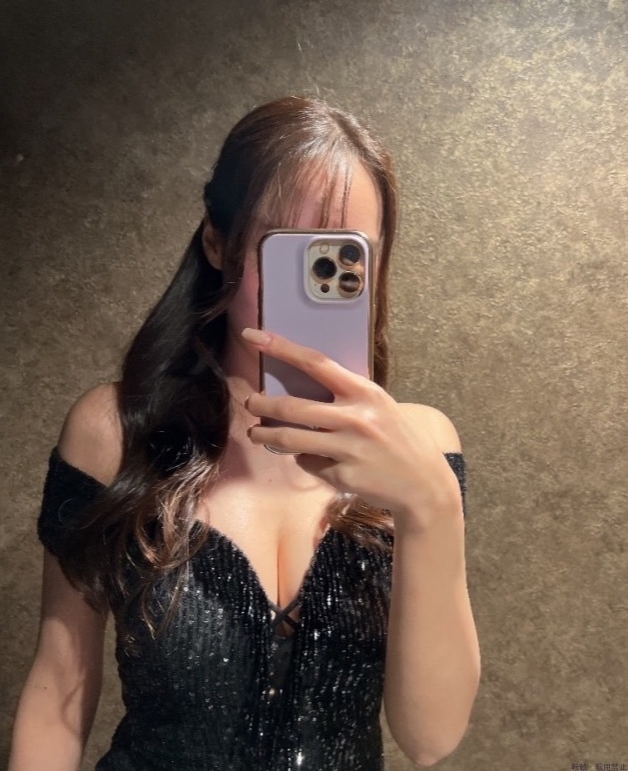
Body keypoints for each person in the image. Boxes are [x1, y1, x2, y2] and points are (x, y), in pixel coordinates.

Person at [8, 96, 480, 771]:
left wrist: (431, 506)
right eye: (289, 251)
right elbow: (59, 687)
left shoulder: (422, 449)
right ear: (216, 242)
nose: (318, 284)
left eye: (345, 258)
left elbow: (430, 739)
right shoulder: (115, 432)